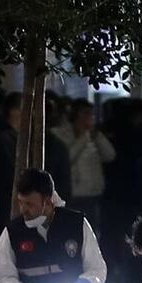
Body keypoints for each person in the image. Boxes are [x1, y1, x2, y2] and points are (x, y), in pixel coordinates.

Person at [54, 99, 117, 233]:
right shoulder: (61, 134)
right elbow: (68, 157)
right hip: (74, 194)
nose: (89, 117)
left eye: (91, 114)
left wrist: (97, 136)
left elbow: (110, 155)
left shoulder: (94, 136)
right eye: (85, 113)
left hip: (93, 194)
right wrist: (84, 136)